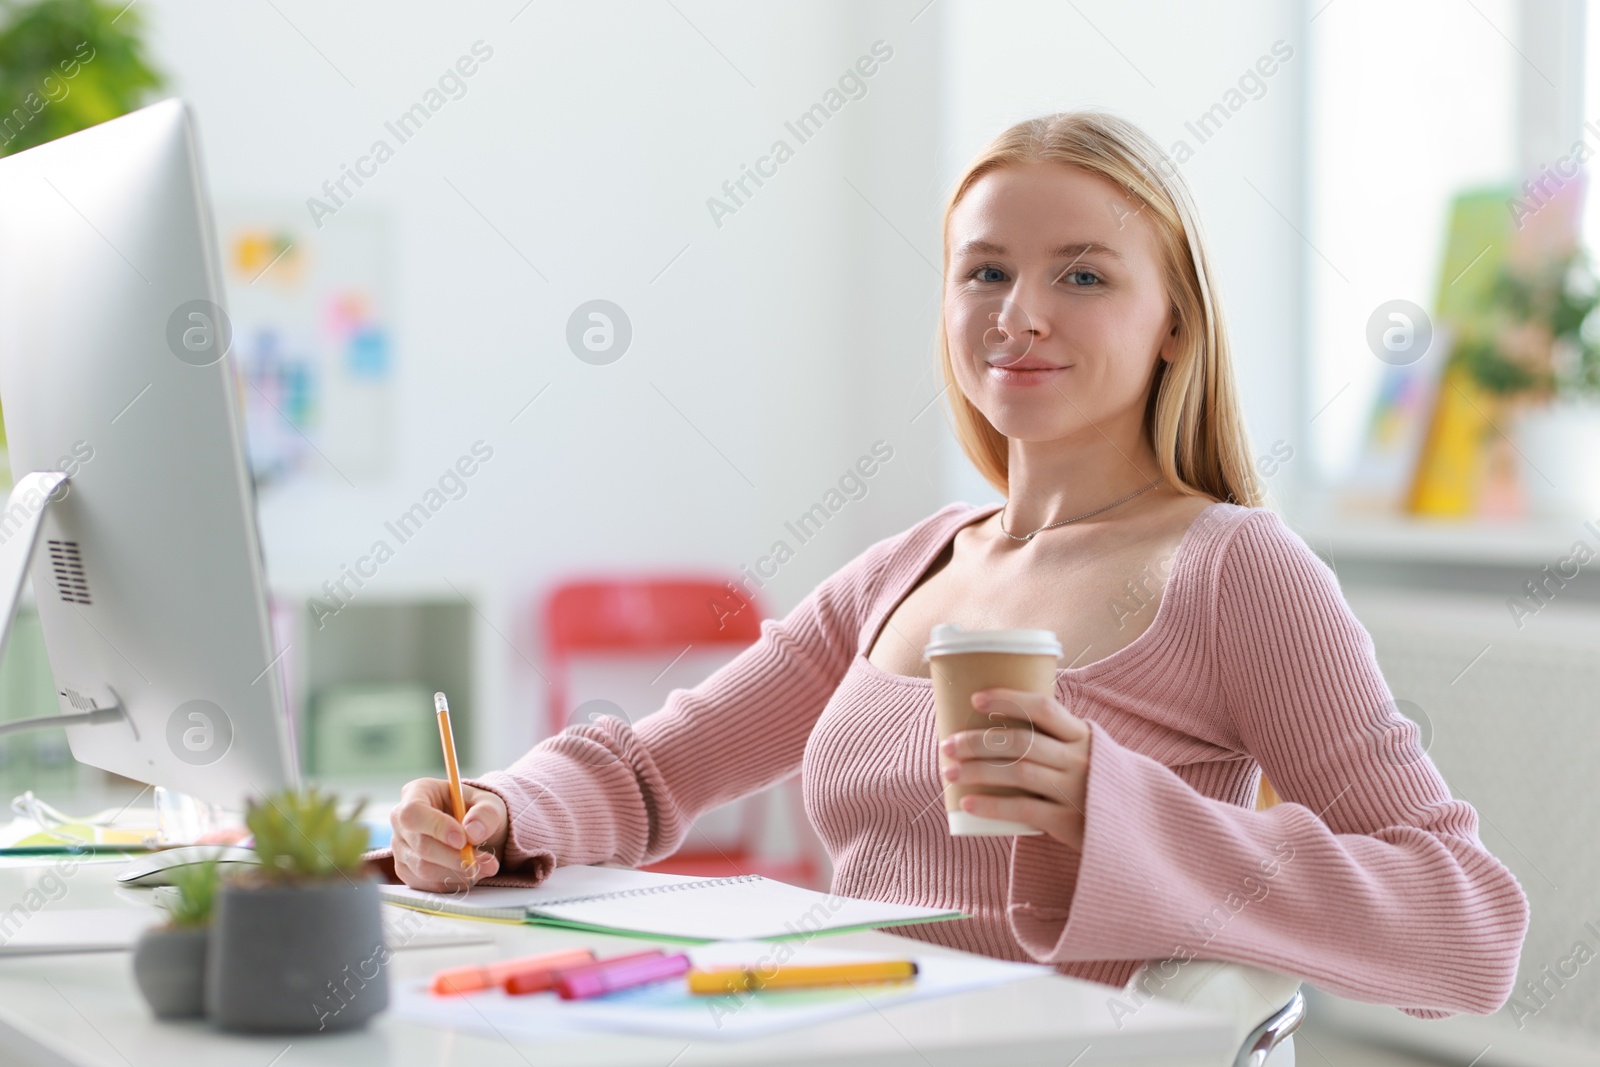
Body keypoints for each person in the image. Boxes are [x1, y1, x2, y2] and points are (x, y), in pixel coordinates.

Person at [384, 111, 1528, 1018]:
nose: (1018, 314)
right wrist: (496, 810)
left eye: (1081, 275)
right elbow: (647, 774)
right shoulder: (907, 564)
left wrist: (1111, 807)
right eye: (983, 272)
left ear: (1174, 320)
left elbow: (1466, 928)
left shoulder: (1235, 571)